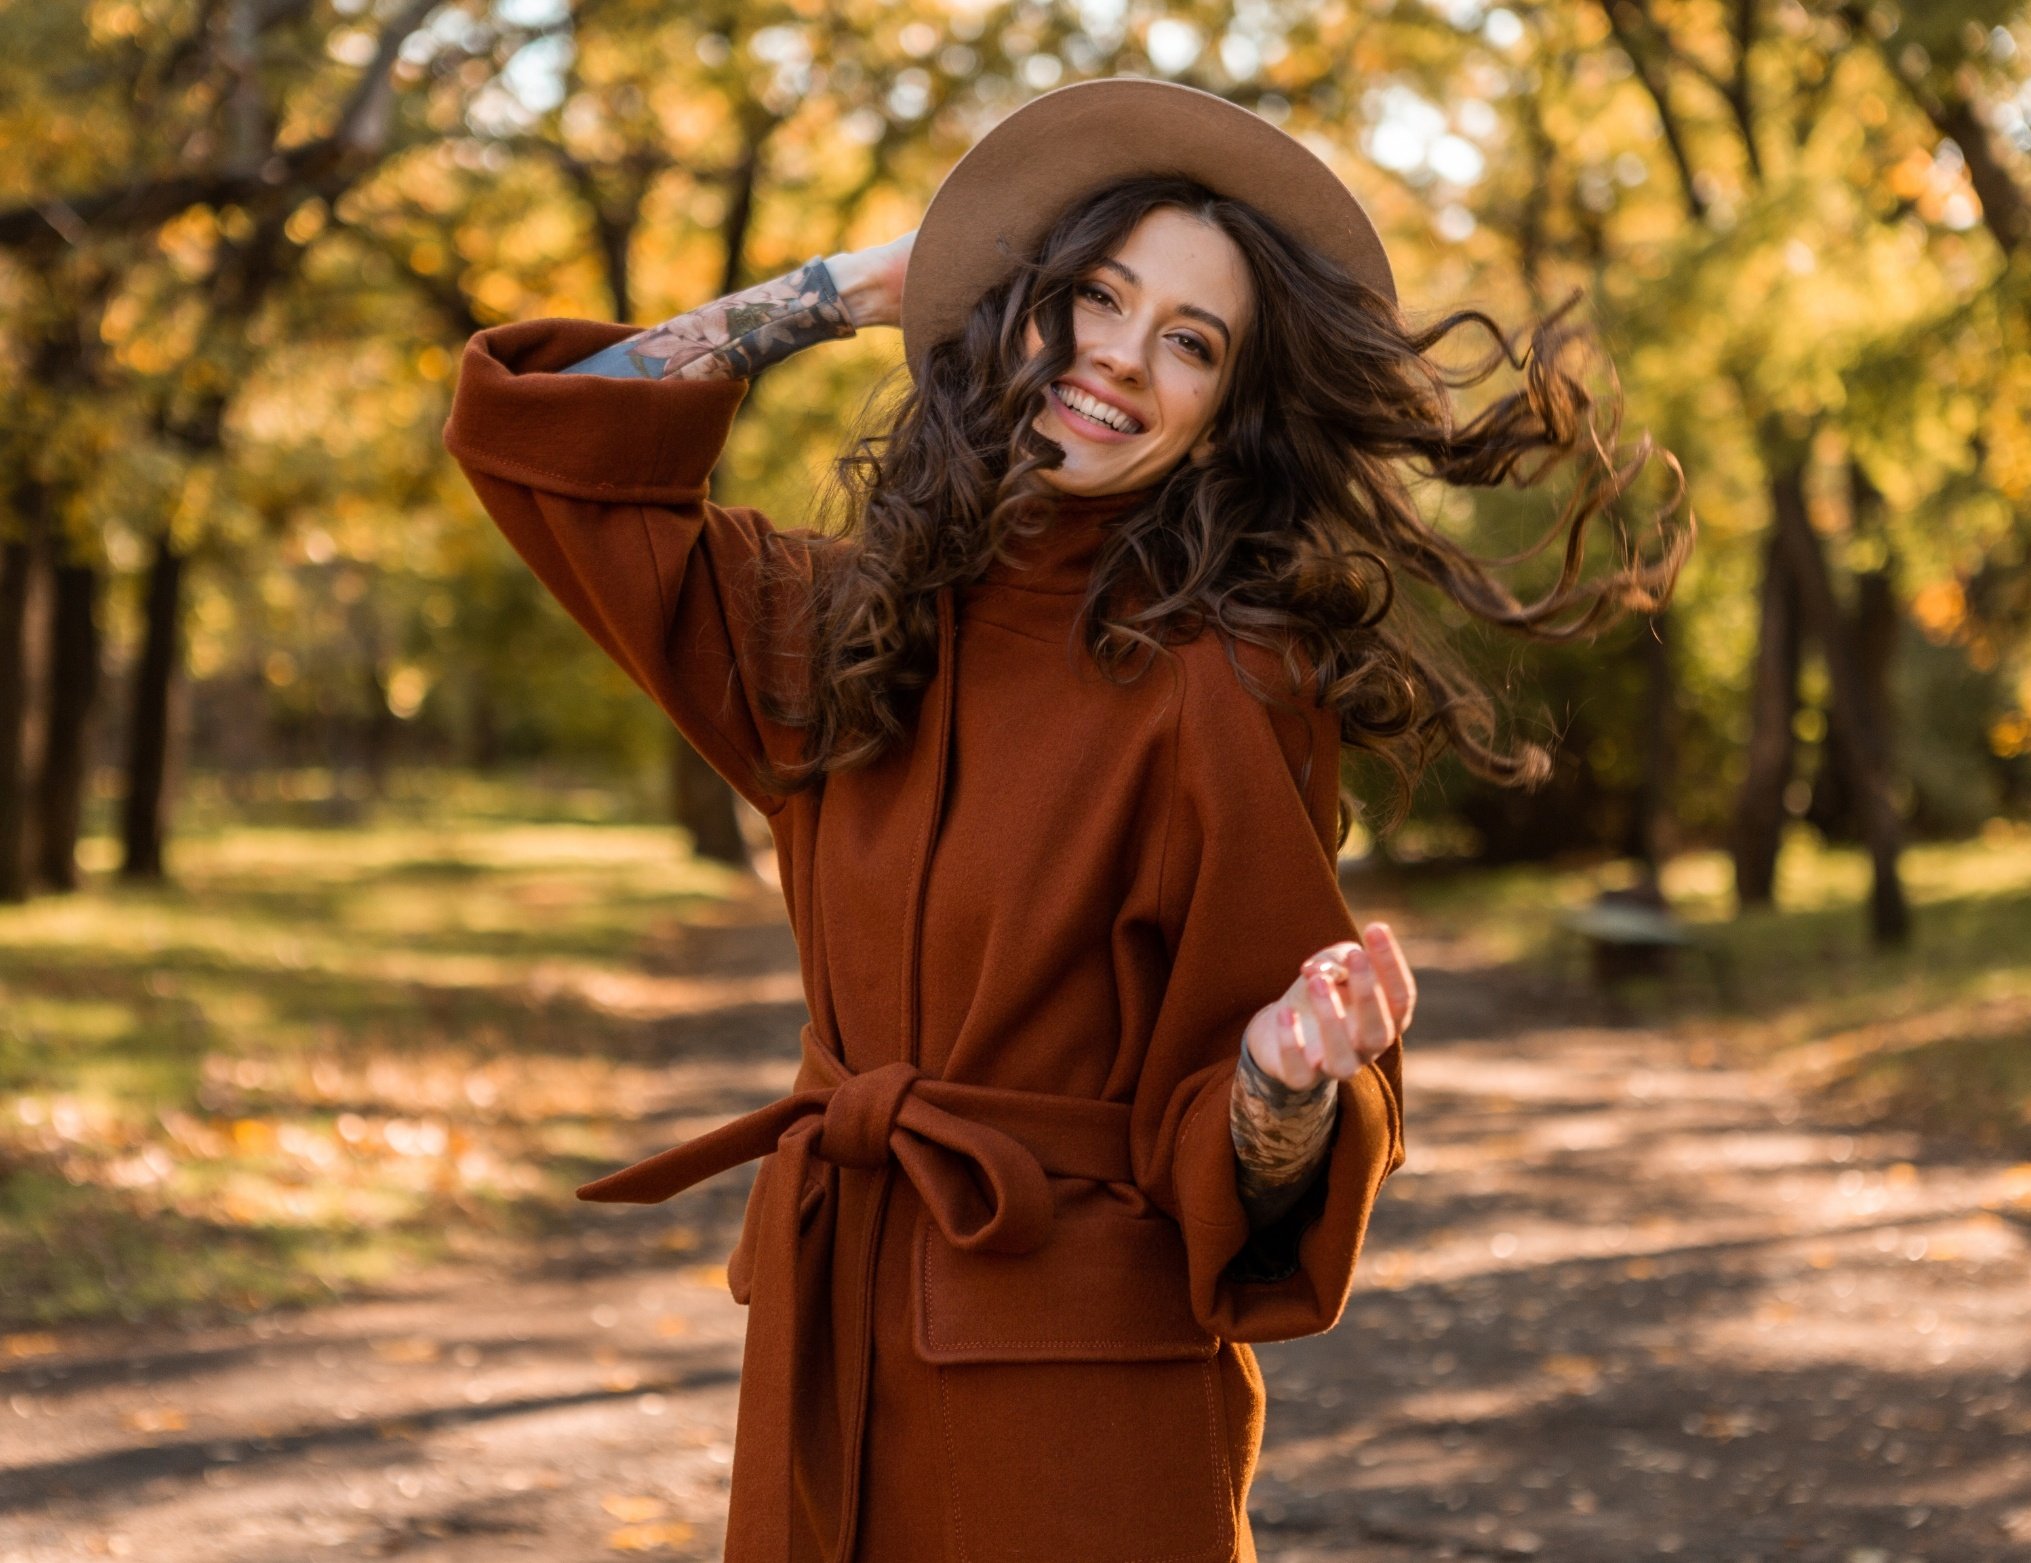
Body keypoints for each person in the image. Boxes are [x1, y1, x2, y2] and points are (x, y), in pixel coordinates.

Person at [443, 76, 1688, 1563]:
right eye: (1093, 296)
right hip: (827, 1355)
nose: (1117, 358)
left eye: (1190, 343)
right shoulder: (840, 624)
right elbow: (547, 445)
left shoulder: (1228, 680)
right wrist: (845, 291)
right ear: (1022, 306)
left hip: (1077, 1427)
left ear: (1226, 417)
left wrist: (1283, 1081)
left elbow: (1243, 1137)